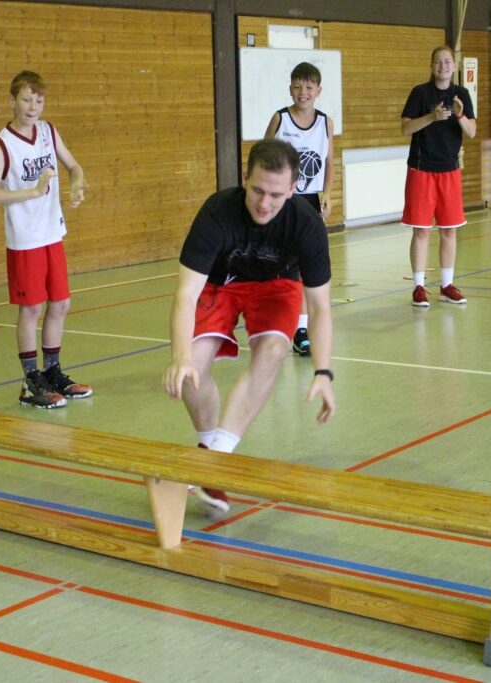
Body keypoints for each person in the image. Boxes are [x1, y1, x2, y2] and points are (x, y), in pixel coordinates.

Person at [162, 139, 336, 520]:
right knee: (193, 366)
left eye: (276, 195)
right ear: (245, 178)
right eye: (257, 190)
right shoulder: (217, 213)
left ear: (293, 189)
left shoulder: (306, 225)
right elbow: (186, 293)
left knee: (273, 350)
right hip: (220, 283)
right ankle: (210, 450)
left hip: (277, 285)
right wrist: (180, 355)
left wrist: (323, 370)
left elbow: (320, 306)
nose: (264, 204)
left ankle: (215, 460)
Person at [0, 70, 93, 409]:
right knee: (31, 308)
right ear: (12, 101)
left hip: (51, 233)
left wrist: (76, 185)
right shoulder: (3, 143)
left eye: (39, 100)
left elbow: (74, 166)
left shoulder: (48, 132)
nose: (33, 107)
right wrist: (31, 191)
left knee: (60, 304)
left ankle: (52, 372)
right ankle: (31, 381)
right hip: (25, 238)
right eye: (27, 99)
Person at [264, 62, 335, 358]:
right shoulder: (280, 119)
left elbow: (329, 162)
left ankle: (301, 330)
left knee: (308, 268)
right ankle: (278, 322)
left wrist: (327, 193)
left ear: (318, 90)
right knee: (283, 268)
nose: (302, 92)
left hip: (310, 203)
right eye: (297, 86)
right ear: (290, 89)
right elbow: (262, 158)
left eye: (308, 87)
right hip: (284, 201)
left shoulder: (326, 123)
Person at [401, 46, 477, 308]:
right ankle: (418, 287)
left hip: (449, 171)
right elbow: (405, 128)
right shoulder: (420, 93)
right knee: (421, 231)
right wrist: (431, 117)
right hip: (421, 170)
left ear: (454, 66)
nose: (443, 66)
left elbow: (472, 132)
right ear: (432, 66)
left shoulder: (461, 94)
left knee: (449, 230)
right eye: (438, 62)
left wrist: (460, 114)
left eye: (447, 62)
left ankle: (447, 285)